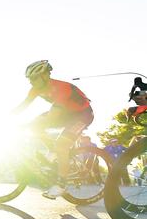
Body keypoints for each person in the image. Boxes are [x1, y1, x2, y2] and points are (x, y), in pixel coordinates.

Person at [13, 60, 94, 199]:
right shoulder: (35, 89)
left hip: (82, 115)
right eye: (29, 79)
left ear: (45, 76)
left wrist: (25, 125)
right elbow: (23, 106)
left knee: (61, 144)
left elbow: (52, 117)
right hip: (65, 113)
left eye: (34, 78)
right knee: (36, 126)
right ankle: (54, 151)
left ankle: (61, 185)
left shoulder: (62, 88)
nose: (31, 82)